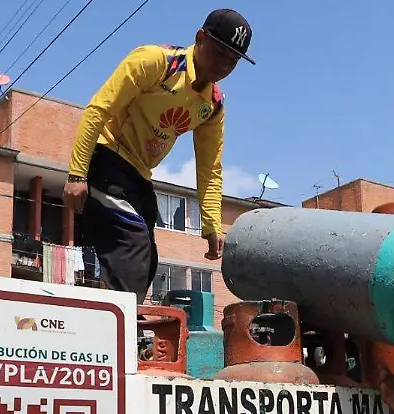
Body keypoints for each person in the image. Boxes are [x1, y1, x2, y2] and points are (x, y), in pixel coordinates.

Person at [62, 8, 254, 304]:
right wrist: (77, 174)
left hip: (139, 174)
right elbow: (98, 110)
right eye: (219, 52)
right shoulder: (157, 61)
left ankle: (115, 323)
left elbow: (210, 168)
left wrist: (212, 224)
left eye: (233, 60)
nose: (225, 65)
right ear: (200, 37)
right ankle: (120, 334)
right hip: (106, 156)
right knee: (132, 243)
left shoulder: (213, 105)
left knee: (149, 258)